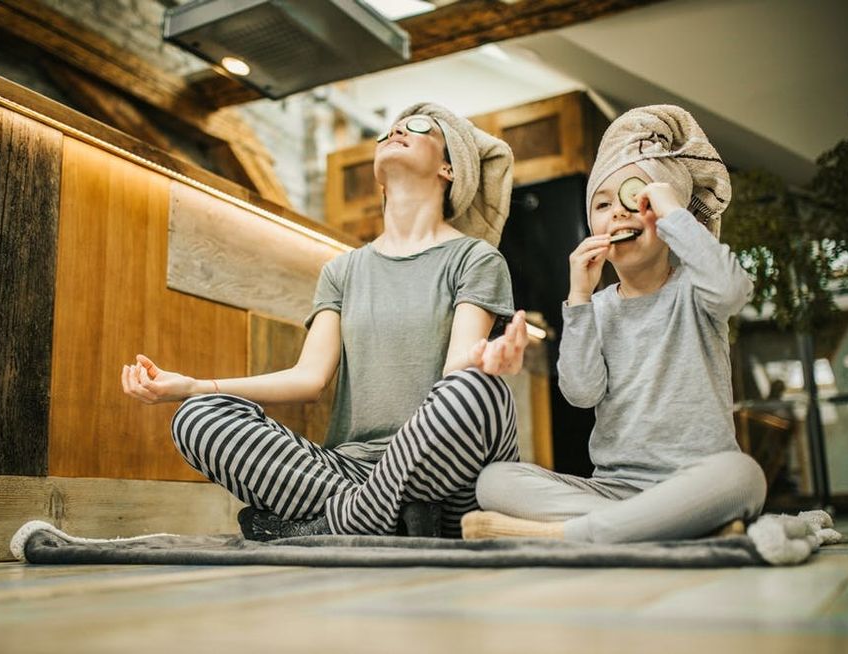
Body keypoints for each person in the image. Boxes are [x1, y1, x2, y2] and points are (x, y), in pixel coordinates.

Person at [121, 103, 528, 539]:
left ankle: (342, 522)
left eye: (418, 127)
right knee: (197, 417)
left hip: (446, 479)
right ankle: (382, 516)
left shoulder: (475, 258)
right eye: (387, 131)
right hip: (349, 471)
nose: (395, 132)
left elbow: (457, 373)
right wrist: (195, 386)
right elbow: (309, 378)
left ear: (450, 168)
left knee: (476, 389)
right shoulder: (342, 270)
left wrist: (486, 364)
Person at [463, 105, 767, 543]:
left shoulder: (696, 289)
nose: (618, 213)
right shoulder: (595, 308)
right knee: (494, 481)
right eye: (602, 205)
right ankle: (679, 525)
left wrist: (671, 210)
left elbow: (732, 290)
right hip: (615, 489)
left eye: (637, 200)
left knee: (742, 476)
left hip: (699, 478)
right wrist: (579, 299)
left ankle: (568, 534)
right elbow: (580, 392)